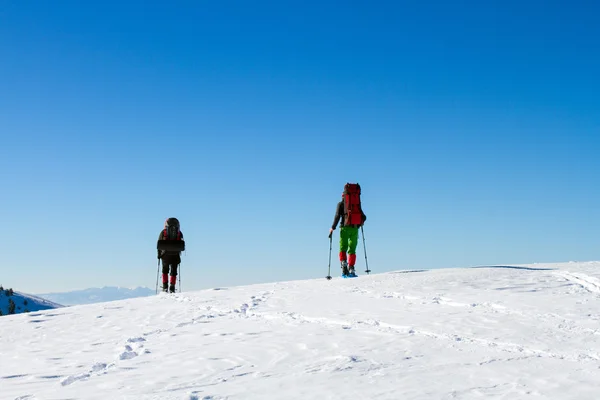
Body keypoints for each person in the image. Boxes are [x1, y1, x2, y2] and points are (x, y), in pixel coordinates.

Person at [329, 192, 366, 277]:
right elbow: (364, 217)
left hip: (344, 228)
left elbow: (337, 216)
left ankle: (344, 267)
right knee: (352, 249)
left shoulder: (340, 204)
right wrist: (359, 224)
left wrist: (332, 228)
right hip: (355, 229)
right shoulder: (356, 204)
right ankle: (351, 268)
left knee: (343, 248)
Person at [157, 217, 184, 293]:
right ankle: (172, 287)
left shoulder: (163, 232)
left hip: (165, 254)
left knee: (165, 271)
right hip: (175, 254)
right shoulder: (179, 233)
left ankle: (165, 287)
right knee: (174, 271)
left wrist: (159, 255)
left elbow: (159, 244)